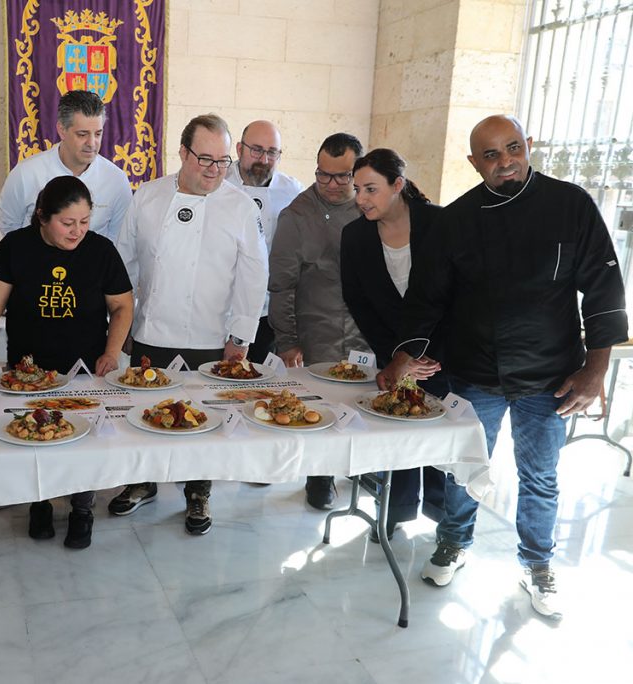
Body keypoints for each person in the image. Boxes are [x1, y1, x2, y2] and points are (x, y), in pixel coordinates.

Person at [379, 115, 628, 621]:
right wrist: (402, 355)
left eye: (512, 148)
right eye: (490, 155)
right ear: (474, 163)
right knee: (465, 469)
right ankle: (452, 543)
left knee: (541, 476)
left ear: (528, 146)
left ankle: (538, 563)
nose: (505, 161)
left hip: (551, 375)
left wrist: (594, 369)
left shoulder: (570, 205)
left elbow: (604, 289)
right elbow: (427, 299)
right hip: (476, 372)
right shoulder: (456, 221)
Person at [110, 113, 269, 535]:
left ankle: (198, 491)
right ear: (182, 152)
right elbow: (124, 262)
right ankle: (141, 480)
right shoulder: (148, 196)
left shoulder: (239, 206)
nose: (214, 171)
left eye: (222, 162)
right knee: (142, 408)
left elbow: (255, 274)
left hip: (210, 333)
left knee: (204, 417)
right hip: (151, 328)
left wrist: (241, 335)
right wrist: (119, 323)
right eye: (205, 159)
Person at [0, 176, 133, 549]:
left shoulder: (101, 251)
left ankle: (81, 509)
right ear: (42, 216)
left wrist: (111, 352)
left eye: (85, 221)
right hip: (30, 371)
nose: (78, 231)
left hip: (83, 369)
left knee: (82, 440)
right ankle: (39, 503)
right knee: (35, 436)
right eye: (67, 223)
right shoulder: (16, 247)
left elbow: (121, 306)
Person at [340, 148, 447, 539]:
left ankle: (443, 518)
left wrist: (423, 354)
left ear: (398, 185)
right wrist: (397, 357)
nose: (361, 198)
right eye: (357, 189)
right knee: (399, 433)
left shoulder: (439, 224)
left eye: (370, 188)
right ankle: (397, 512)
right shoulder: (354, 236)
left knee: (442, 437)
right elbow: (359, 301)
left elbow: (457, 295)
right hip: (392, 353)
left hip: (441, 352)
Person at [268, 132, 369, 510]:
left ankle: (364, 474)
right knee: (323, 408)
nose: (330, 185)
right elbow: (280, 285)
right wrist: (287, 340)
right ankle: (320, 478)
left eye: (342, 177)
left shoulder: (370, 204)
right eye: (323, 175)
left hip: (366, 333)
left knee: (365, 403)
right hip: (318, 331)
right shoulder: (296, 215)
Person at [0, 90, 132, 241]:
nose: (92, 143)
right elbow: (10, 229)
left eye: (98, 134)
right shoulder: (25, 173)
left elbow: (118, 238)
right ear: (62, 130)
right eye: (82, 134)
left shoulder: (116, 180)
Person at [227, 120, 305, 363]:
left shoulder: (292, 192)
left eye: (272, 152)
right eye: (257, 150)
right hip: (222, 308)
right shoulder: (219, 182)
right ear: (239, 149)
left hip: (268, 312)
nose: (264, 159)